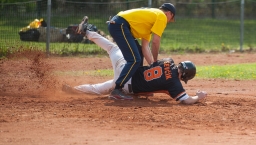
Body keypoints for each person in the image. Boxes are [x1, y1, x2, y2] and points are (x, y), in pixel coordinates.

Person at [62, 28, 207, 105]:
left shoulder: (167, 61)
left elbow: (155, 72)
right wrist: (198, 97)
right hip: (127, 83)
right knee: (100, 89)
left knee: (112, 49)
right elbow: (185, 99)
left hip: (126, 68)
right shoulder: (174, 83)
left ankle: (87, 32)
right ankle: (75, 90)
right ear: (184, 76)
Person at [106, 3, 176, 100]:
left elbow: (145, 47)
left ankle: (137, 86)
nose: (168, 22)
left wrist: (153, 64)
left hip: (119, 25)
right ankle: (117, 89)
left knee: (138, 53)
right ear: (169, 14)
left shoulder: (150, 22)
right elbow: (155, 42)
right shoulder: (161, 16)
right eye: (170, 20)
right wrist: (156, 60)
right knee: (134, 59)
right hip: (120, 25)